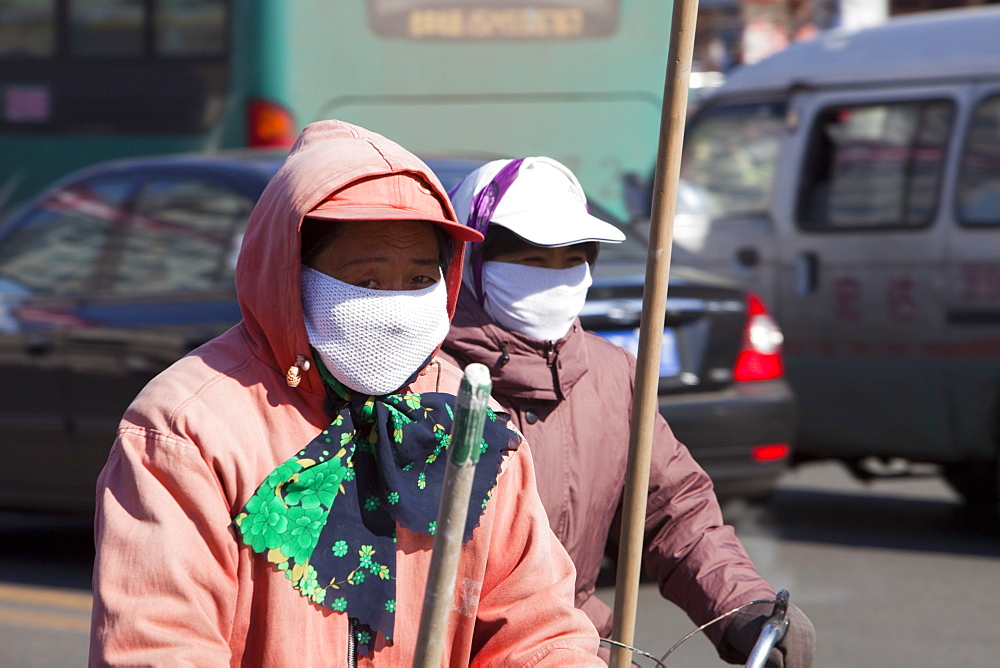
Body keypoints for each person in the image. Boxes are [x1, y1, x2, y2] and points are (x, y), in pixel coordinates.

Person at [89, 122, 605, 666]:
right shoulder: (186, 430)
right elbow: (158, 646)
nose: (400, 308)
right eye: (369, 281)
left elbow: (538, 631)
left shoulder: (468, 421)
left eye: (420, 279)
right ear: (291, 274)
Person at [441, 157, 817, 666]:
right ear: (471, 260)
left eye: (572, 260)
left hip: (576, 649)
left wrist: (742, 607)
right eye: (532, 261)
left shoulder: (611, 374)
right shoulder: (426, 379)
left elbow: (674, 511)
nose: (555, 279)